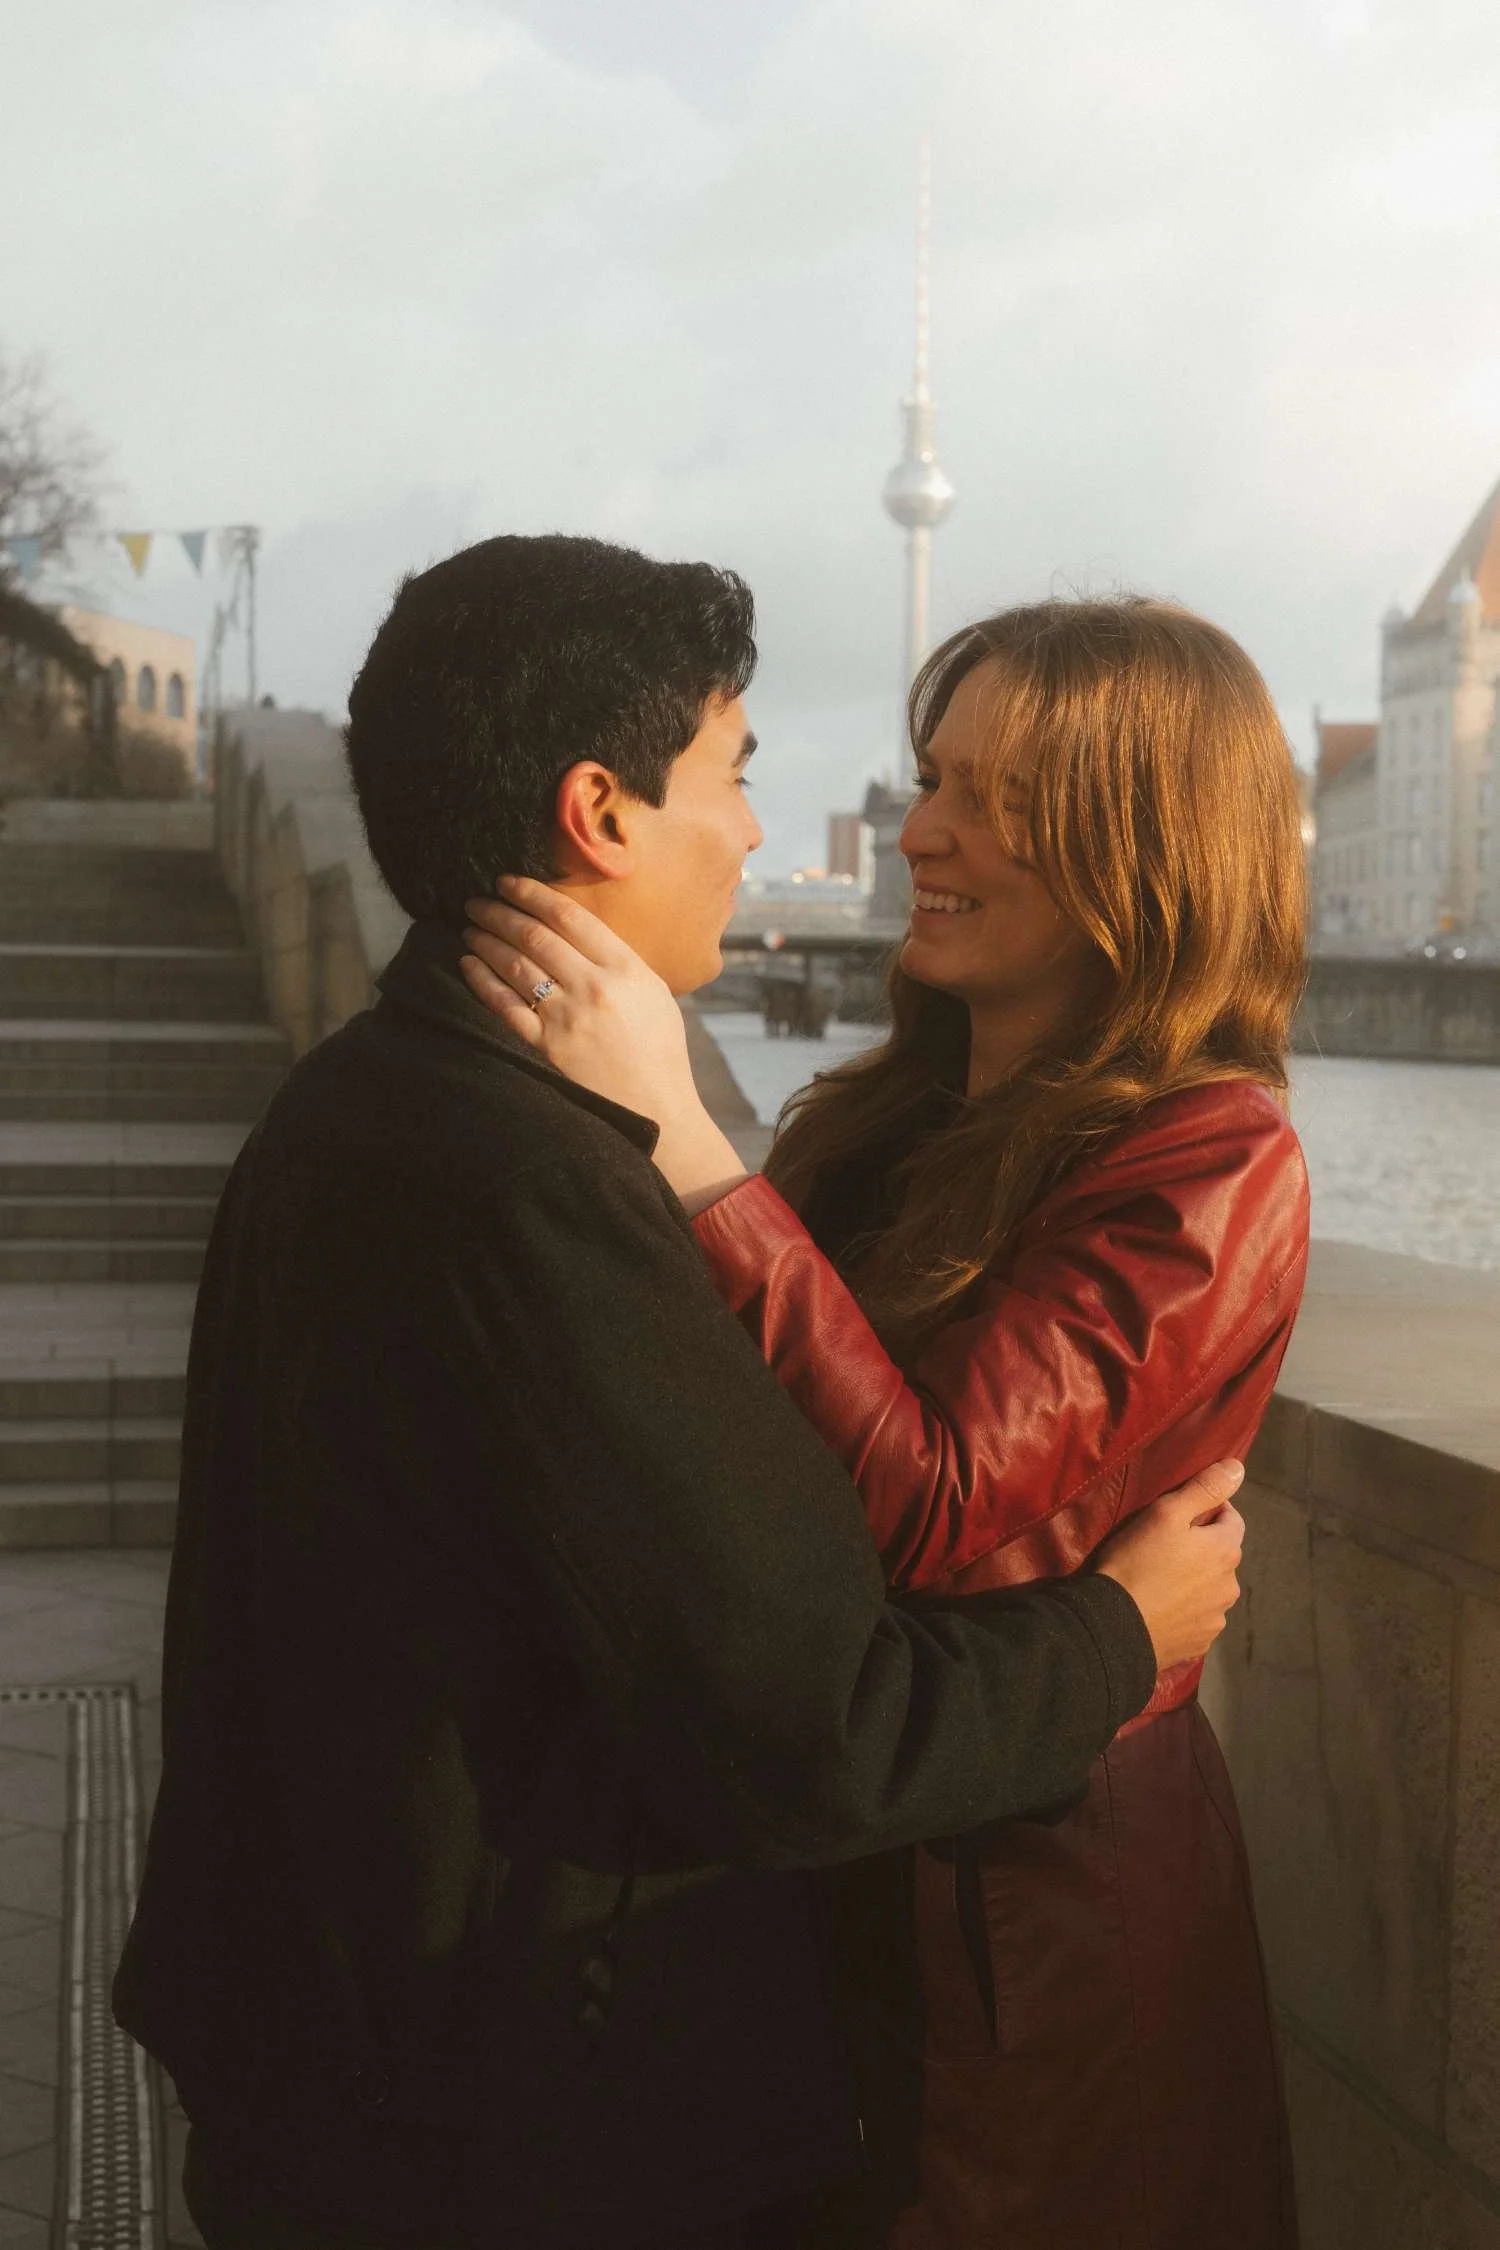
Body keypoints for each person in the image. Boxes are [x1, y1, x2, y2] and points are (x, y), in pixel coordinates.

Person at [113, 542, 1247, 2250]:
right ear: (603, 812)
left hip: (352, 2068)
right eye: (732, 773)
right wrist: (1121, 1634)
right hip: (520, 2122)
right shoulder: (533, 1178)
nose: (758, 835)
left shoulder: (363, 1097)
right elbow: (819, 1721)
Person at [458, 594, 1310, 2250]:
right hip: (838, 1842)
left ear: (1140, 843)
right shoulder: (887, 1117)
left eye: (995, 800)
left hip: (1036, 1903)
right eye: (934, 778)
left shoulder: (1217, 1157)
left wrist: (688, 1147)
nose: (923, 831)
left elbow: (931, 1499)